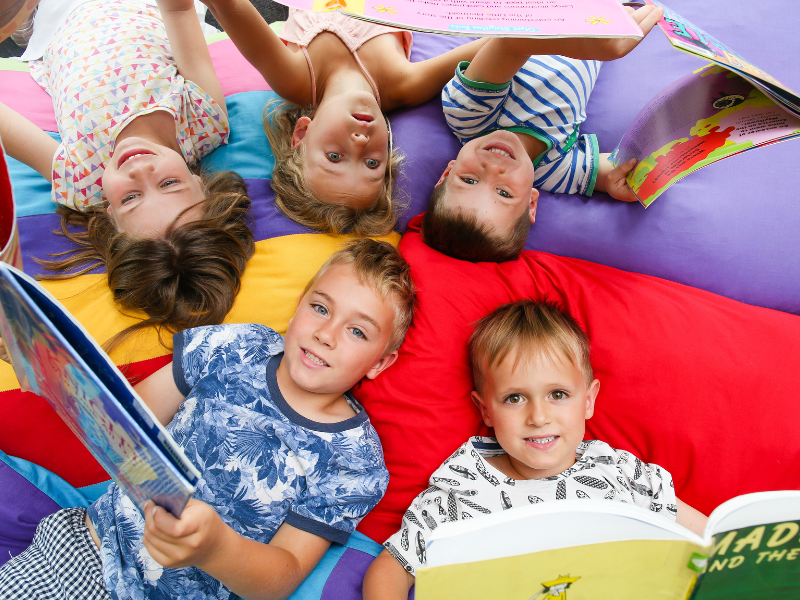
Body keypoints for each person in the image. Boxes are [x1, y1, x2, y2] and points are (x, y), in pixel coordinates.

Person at [0, 238, 416, 600]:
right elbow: (126, 420)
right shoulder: (233, 345)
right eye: (320, 308)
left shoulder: (355, 463)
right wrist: (52, 370)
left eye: (357, 331)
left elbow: (283, 574)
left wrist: (216, 548)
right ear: (296, 309)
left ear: (380, 363)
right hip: (87, 552)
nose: (327, 333)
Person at [362, 299, 706, 599]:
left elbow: (709, 535)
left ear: (588, 401)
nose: (539, 417)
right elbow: (392, 568)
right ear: (485, 411)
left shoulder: (617, 471)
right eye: (515, 398)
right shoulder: (463, 487)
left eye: (558, 394)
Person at [0, 0, 254, 346]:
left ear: (109, 213)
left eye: (131, 198)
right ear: (200, 183)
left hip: (55, 16)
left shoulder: (84, 180)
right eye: (168, 183)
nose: (140, 170)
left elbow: (6, 126)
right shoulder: (204, 122)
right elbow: (178, 12)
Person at [197, 1, 491, 236]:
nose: (361, 142)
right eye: (372, 163)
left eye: (335, 156)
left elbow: (228, 6)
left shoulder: (293, 79)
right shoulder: (405, 85)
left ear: (301, 134)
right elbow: (503, 43)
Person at [422, 5, 665, 262]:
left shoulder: (469, 114)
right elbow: (611, 170)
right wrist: (618, 181)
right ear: (531, 204)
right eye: (504, 193)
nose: (492, 168)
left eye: (469, 180)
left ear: (447, 173)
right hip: (604, 17)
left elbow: (511, 45)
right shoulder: (554, 174)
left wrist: (585, 40)